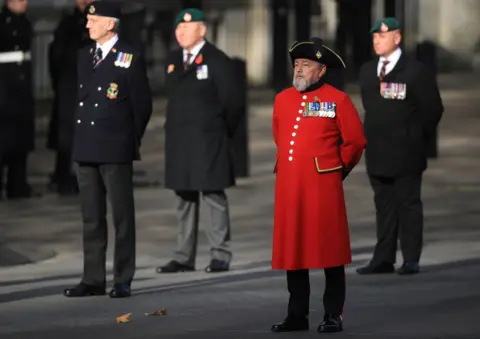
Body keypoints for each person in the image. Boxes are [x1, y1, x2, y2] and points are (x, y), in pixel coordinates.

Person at [271, 38, 366, 333]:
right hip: (290, 186)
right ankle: (296, 315)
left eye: (306, 65)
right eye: (297, 65)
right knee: (294, 251)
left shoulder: (337, 100)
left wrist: (337, 170)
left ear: (321, 71)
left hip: (323, 186)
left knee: (330, 251)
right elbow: (280, 135)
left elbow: (356, 141)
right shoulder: (282, 99)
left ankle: (332, 314)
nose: (299, 70)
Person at [63, 0, 152, 298]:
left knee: (122, 217)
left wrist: (128, 137)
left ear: (110, 23)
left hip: (115, 146)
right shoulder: (83, 56)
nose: (88, 24)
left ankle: (123, 277)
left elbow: (142, 105)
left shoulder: (130, 56)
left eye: (94, 20)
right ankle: (93, 278)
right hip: (86, 145)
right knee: (91, 216)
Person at [156, 8, 242, 274]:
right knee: (184, 197)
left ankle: (220, 254)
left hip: (208, 140)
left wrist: (219, 130)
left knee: (213, 195)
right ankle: (183, 256)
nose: (181, 32)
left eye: (187, 27)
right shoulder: (173, 61)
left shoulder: (217, 60)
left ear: (202, 30)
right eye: (178, 28)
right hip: (180, 141)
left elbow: (233, 103)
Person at [356, 18, 443, 276]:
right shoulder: (367, 71)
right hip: (377, 151)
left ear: (397, 38)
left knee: (408, 205)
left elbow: (433, 109)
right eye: (374, 37)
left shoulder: (415, 72)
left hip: (407, 151)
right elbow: (371, 108)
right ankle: (383, 258)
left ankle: (411, 258)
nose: (376, 41)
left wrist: (416, 136)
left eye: (382, 36)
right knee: (384, 206)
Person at [47, 0, 94, 195]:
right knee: (68, 135)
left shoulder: (105, 21)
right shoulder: (68, 25)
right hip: (71, 86)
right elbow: (56, 57)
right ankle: (64, 176)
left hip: (90, 86)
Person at [0, 0, 34, 200]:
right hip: (5, 86)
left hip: (20, 87)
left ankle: (18, 184)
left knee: (20, 139)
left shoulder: (24, 23)